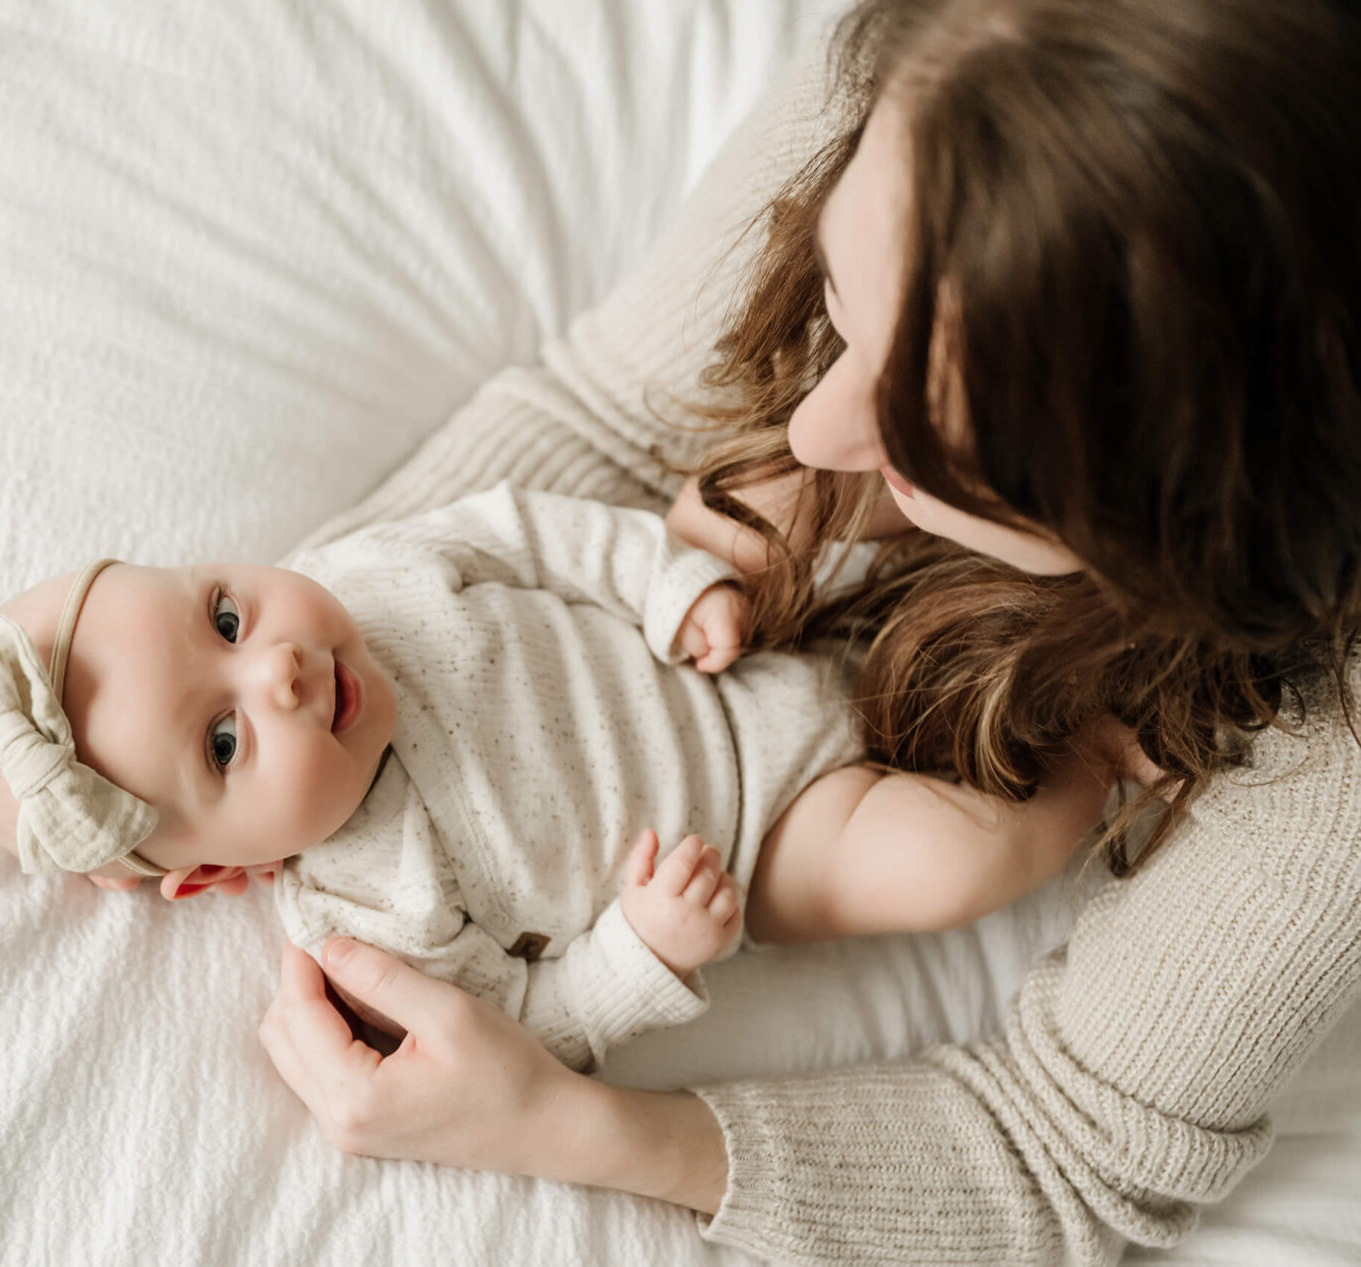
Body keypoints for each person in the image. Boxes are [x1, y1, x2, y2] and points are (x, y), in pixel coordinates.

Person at [254, 0, 1361, 1262]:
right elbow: (608, 416)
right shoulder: (951, 72)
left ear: (1188, 529)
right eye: (841, 301)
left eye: (940, 440)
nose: (812, 430)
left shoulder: (1335, 755)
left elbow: (1065, 1154)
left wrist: (569, 1123)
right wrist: (206, 683)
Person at [0, 484, 1117, 1072]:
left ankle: (1035, 522)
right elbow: (521, 1028)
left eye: (225, 613)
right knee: (943, 860)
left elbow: (530, 533)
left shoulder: (365, 572)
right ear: (216, 875)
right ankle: (1114, 731)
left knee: (767, 490)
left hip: (719, 633)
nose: (282, 670)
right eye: (224, 744)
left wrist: (669, 580)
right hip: (770, 831)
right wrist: (642, 954)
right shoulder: (367, 909)